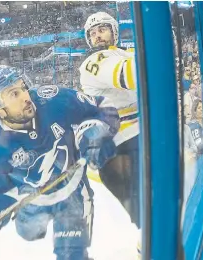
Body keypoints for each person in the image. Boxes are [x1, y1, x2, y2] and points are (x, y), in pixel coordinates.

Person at [0, 65, 120, 259]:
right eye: (14, 94)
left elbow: (102, 106)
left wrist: (98, 133)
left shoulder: (54, 99)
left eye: (23, 87)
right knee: (29, 234)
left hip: (72, 192)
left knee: (72, 255)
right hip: (31, 201)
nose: (25, 96)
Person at [79, 12, 140, 228]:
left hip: (140, 137)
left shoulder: (124, 53)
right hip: (126, 144)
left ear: (114, 32)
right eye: (92, 33)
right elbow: (134, 75)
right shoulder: (93, 62)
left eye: (102, 30)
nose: (97, 36)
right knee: (149, 212)